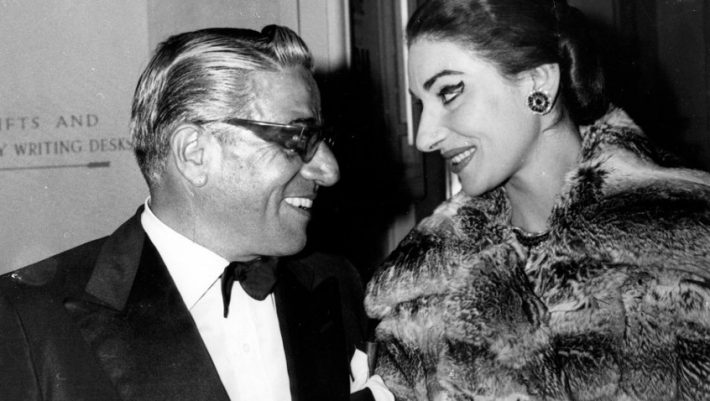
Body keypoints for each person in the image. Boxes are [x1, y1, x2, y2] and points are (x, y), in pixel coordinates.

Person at [0, 26, 392, 401]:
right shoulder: (28, 321)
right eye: (299, 138)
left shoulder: (334, 282)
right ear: (195, 153)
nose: (329, 170)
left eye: (322, 139)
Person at [365, 0, 710, 400]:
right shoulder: (422, 288)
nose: (425, 137)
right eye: (421, 104)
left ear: (538, 83)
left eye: (449, 92)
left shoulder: (690, 242)